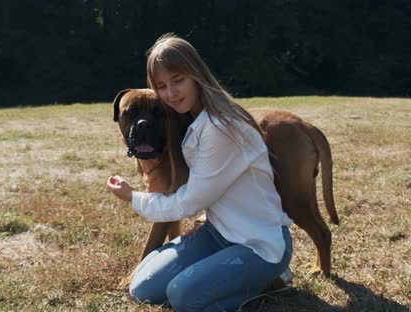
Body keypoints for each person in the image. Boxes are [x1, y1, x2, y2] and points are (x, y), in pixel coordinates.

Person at [107, 33, 293, 312]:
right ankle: (223, 275)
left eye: (178, 80)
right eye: (162, 86)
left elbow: (187, 202)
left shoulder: (221, 128)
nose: (171, 93)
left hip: (259, 245)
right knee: (143, 287)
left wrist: (132, 196)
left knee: (183, 296)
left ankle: (269, 278)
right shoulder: (192, 121)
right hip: (218, 235)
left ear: (196, 74)